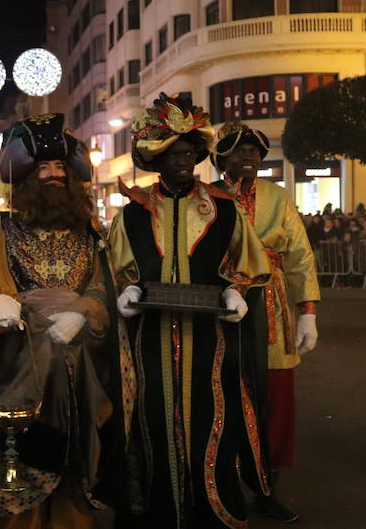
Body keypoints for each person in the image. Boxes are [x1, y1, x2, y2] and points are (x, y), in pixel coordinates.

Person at [108, 94, 272, 528]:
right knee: (152, 419)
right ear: (156, 160)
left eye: (189, 153)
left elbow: (248, 261)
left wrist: (237, 290)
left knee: (211, 418)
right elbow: (118, 270)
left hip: (211, 341)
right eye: (173, 154)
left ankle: (211, 507)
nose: (183, 161)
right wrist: (125, 291)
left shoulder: (223, 208)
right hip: (150, 340)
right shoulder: (133, 215)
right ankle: (156, 509)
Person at [0, 113, 136, 528]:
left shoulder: (88, 230)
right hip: (24, 358)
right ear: (28, 174)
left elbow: (103, 286)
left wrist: (82, 313)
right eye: (43, 166)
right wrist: (4, 305)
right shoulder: (4, 228)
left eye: (60, 166)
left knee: (77, 449)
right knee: (26, 448)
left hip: (79, 363)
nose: (52, 174)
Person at [211, 120, 320, 521]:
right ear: (221, 157)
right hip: (219, 306)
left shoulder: (278, 197)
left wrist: (307, 310)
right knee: (220, 396)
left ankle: (267, 487)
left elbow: (300, 256)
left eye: (255, 150)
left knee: (273, 400)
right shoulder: (207, 198)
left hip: (271, 306)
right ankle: (220, 486)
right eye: (239, 149)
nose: (249, 156)